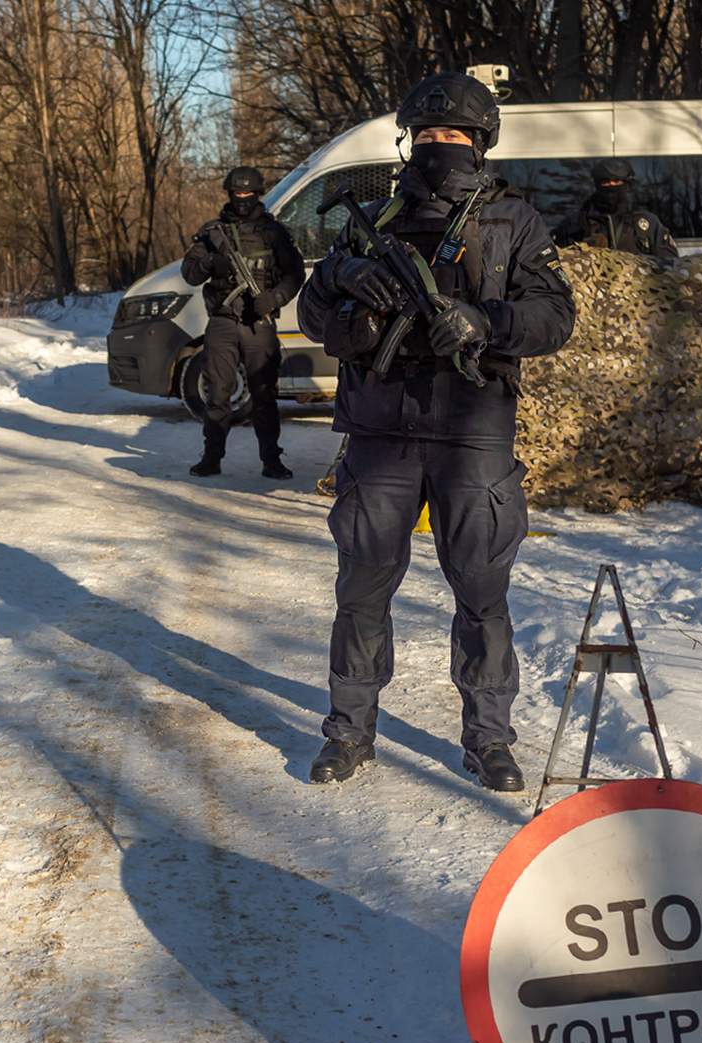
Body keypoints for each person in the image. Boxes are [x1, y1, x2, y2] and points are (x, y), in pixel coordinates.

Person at [297, 72, 576, 789]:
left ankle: (490, 739)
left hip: (473, 432)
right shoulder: (376, 222)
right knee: (361, 590)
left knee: (482, 596)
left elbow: (555, 317)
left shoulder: (513, 221)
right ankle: (348, 731)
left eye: (452, 136)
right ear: (406, 141)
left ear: (480, 145)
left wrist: (489, 321)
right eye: (425, 136)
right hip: (380, 433)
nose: (436, 147)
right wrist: (348, 303)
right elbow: (312, 309)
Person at [180, 166, 305, 479]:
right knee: (218, 394)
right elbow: (190, 273)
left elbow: (295, 274)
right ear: (229, 193)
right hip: (222, 322)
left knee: (264, 393)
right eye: (238, 194)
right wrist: (212, 262)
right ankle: (211, 457)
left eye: (249, 194)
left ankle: (271, 460)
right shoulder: (213, 232)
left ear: (258, 193)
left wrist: (274, 298)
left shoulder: (273, 233)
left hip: (258, 324)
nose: (243, 199)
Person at [559, 159, 679, 257]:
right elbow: (560, 267)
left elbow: (669, 264)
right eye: (606, 182)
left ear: (627, 185)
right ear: (597, 185)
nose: (611, 186)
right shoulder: (576, 224)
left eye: (616, 181)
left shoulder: (645, 223)